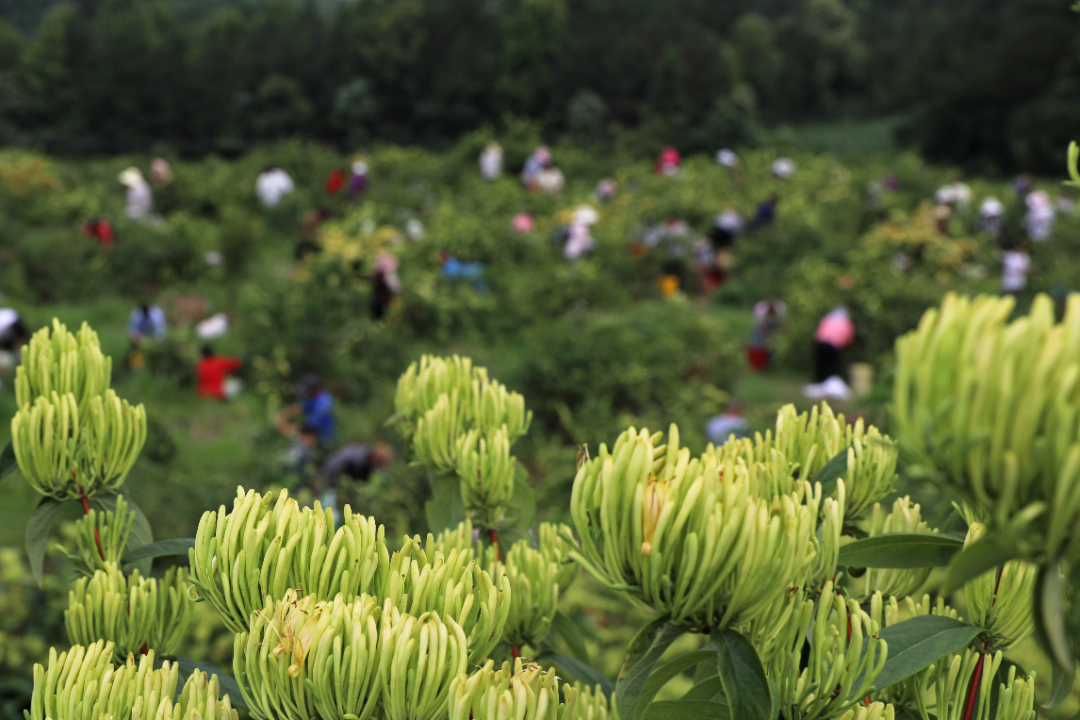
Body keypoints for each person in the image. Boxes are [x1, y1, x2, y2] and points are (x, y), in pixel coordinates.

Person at [805, 307, 855, 400]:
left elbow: (818, 332)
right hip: (834, 345)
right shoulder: (846, 322)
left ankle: (819, 385)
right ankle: (829, 387)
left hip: (820, 344)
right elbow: (849, 337)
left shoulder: (827, 318)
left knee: (820, 365)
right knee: (832, 367)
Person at [279, 376, 337, 445]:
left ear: (315, 389)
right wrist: (283, 415)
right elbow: (299, 407)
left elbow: (312, 430)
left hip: (324, 440)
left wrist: (290, 429)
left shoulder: (323, 402)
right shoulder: (315, 398)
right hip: (316, 436)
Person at [748, 298, 787, 371]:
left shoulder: (780, 309)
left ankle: (768, 364)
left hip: (772, 327)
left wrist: (771, 335)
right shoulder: (760, 309)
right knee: (757, 344)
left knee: (771, 346)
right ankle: (756, 364)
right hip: (759, 326)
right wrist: (765, 333)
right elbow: (759, 325)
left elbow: (781, 323)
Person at [372, 252, 402, 319]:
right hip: (387, 300)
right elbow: (396, 288)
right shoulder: (389, 275)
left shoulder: (377, 274)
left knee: (378, 318)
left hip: (377, 299)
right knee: (387, 317)